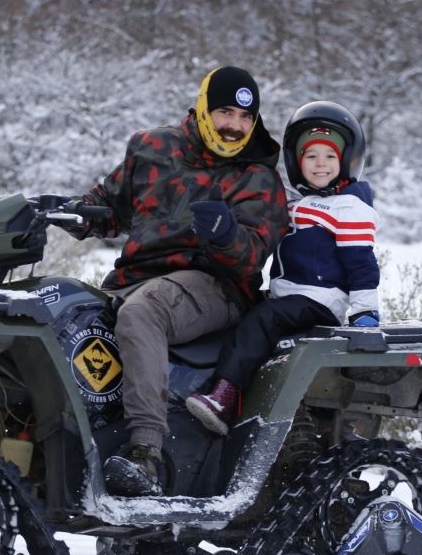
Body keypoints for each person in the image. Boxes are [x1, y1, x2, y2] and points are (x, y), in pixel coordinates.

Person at [64, 66, 289, 496]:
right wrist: (70, 212)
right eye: (225, 112)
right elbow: (109, 205)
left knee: (143, 313)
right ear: (203, 108)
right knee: (67, 315)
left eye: (246, 118)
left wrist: (225, 235)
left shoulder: (258, 177)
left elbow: (251, 259)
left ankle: (145, 452)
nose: (234, 126)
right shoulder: (151, 147)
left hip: (216, 286)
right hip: (137, 277)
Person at [185, 101, 380, 435]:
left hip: (320, 300)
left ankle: (224, 395)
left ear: (347, 161)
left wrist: (365, 313)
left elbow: (361, 263)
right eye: (311, 156)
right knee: (235, 313)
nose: (321, 165)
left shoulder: (350, 208)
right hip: (289, 296)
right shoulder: (298, 202)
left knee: (262, 321)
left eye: (330, 156)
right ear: (296, 161)